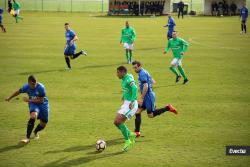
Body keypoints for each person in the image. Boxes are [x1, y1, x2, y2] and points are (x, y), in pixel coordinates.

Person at [132, 61, 177, 137]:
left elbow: (146, 86)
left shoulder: (142, 73)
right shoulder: (144, 71)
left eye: (136, 67)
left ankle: (167, 108)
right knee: (137, 112)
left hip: (148, 96)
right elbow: (153, 81)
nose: (134, 69)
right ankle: (137, 132)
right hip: (147, 95)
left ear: (140, 66)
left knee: (151, 115)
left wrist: (142, 98)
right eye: (133, 68)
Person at [5, 75, 50, 144]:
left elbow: (41, 101)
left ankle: (35, 132)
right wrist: (9, 98)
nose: (34, 85)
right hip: (33, 104)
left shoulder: (41, 87)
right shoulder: (26, 87)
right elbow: (18, 91)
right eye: (32, 84)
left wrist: (29, 100)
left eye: (35, 84)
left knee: (43, 123)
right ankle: (27, 138)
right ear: (28, 83)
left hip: (43, 104)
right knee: (33, 116)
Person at [114, 66, 138, 151]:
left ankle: (127, 141)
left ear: (123, 72)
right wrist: (124, 95)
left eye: (118, 72)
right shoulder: (125, 78)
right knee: (116, 122)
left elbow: (135, 88)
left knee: (119, 121)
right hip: (126, 103)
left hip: (131, 104)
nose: (117, 74)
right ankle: (131, 134)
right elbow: (128, 89)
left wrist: (132, 101)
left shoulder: (128, 79)